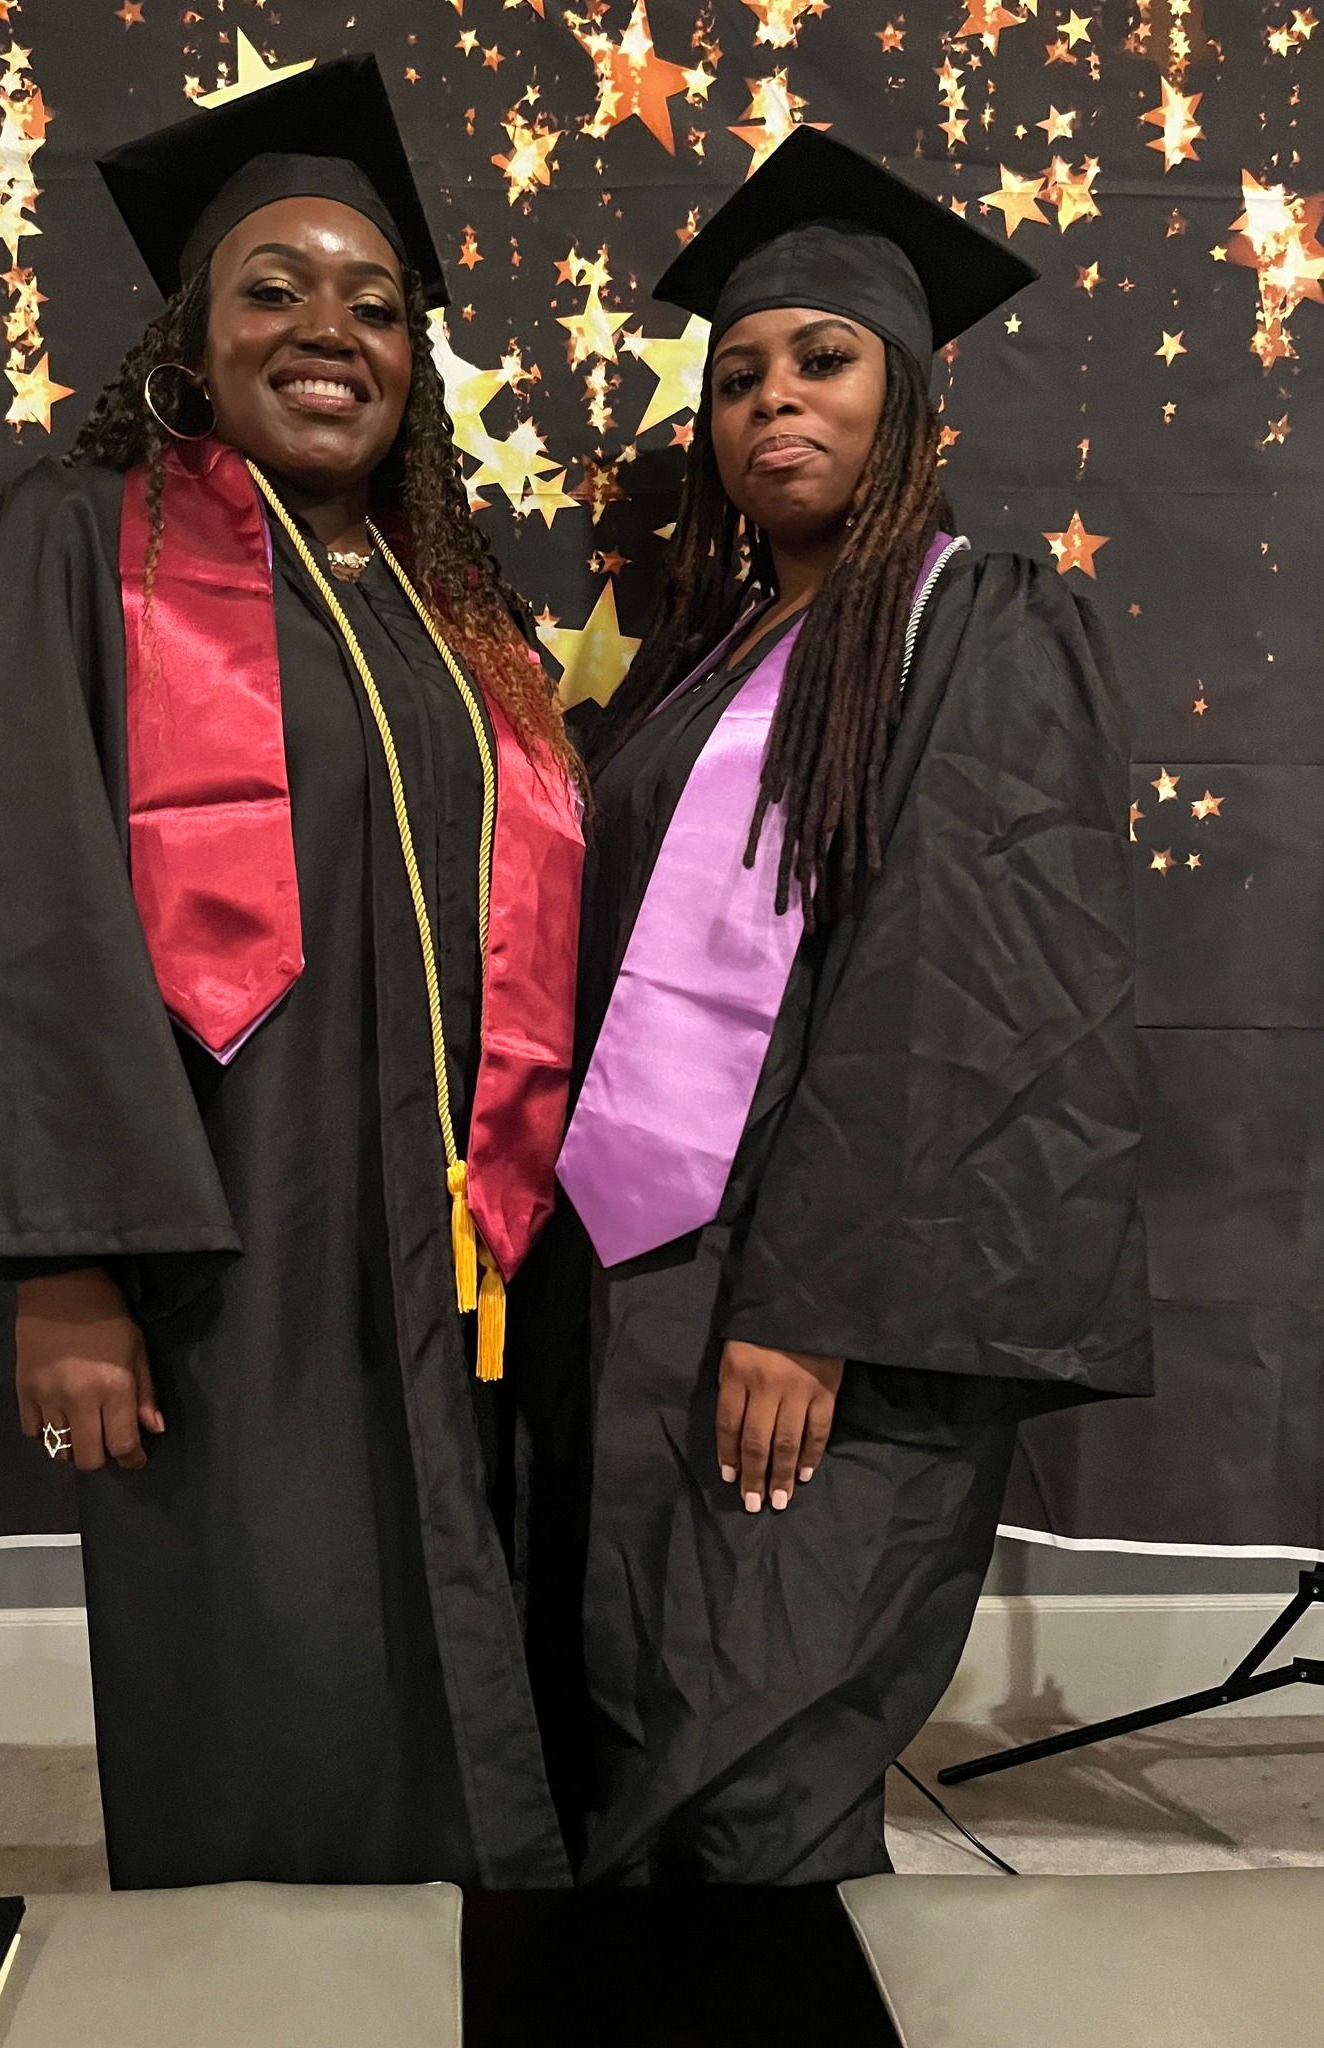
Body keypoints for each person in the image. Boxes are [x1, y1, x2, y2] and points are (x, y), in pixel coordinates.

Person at [0, 55, 584, 1891]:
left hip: (459, 1242)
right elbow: (9, 899)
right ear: (193, 336)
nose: (329, 329)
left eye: (377, 304)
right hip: (229, 1237)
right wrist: (65, 1268)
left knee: (463, 1627)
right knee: (272, 1639)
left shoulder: (452, 610)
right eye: (276, 287)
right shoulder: (78, 545)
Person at [550, 127, 1152, 1886]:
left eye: (824, 360)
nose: (774, 403)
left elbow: (969, 998)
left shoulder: (982, 625)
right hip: (656, 1282)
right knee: (649, 1707)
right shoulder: (712, 660)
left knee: (758, 1763)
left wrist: (813, 1306)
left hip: (832, 1297)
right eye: (739, 376)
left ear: (912, 400)